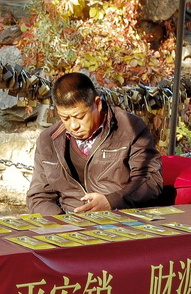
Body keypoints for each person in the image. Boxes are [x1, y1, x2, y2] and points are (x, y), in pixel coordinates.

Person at [26, 72, 163, 215]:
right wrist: (60, 224)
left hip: (119, 218)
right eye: (65, 118)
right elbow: (39, 196)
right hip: (68, 222)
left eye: (80, 117)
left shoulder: (129, 128)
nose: (73, 125)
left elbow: (150, 179)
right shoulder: (48, 140)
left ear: (97, 104)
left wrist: (112, 201)